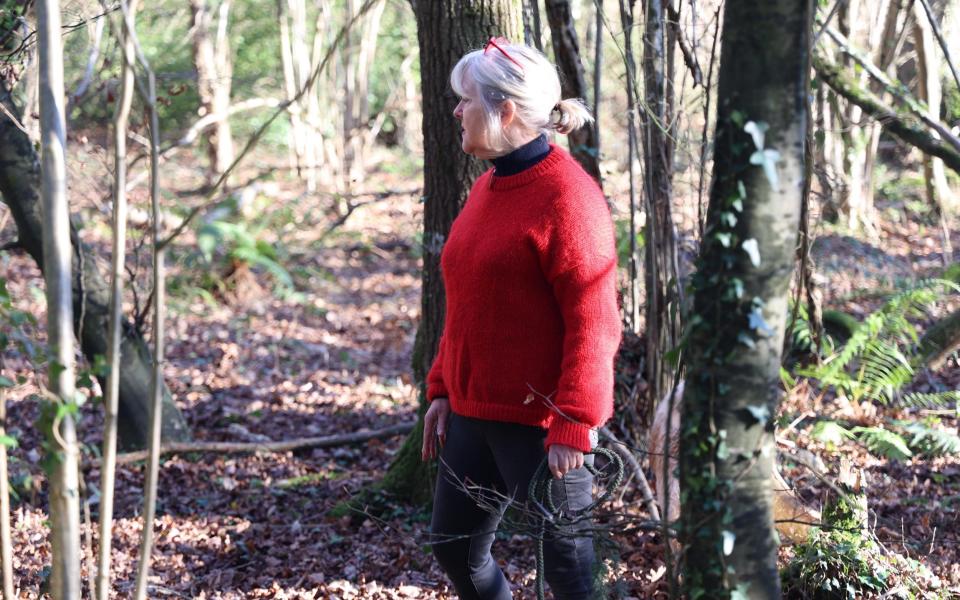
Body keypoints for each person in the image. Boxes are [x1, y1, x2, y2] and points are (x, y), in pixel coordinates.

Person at [419, 37, 621, 600]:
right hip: (471, 413)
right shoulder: (487, 187)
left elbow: (595, 321)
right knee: (453, 548)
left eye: (466, 101)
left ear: (504, 111)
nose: (456, 111)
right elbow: (466, 301)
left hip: (538, 426)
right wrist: (441, 388)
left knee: (570, 569)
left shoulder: (569, 198)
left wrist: (575, 420)